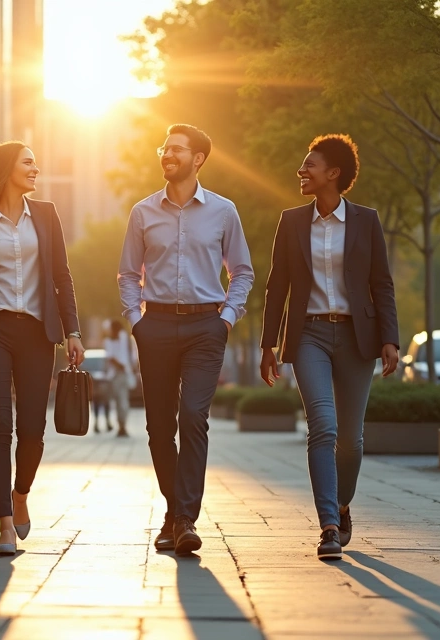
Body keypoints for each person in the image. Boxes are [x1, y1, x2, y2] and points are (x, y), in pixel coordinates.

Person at [258, 134, 400, 561]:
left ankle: (341, 503)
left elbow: (381, 283)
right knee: (323, 426)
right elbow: (277, 286)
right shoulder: (291, 222)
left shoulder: (366, 221)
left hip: (357, 337)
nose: (301, 171)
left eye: (310, 165)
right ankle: (329, 526)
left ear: (333, 173)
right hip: (309, 336)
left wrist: (390, 338)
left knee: (351, 440)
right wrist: (268, 344)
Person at [118, 124, 254, 556]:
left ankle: (184, 519)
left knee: (193, 415)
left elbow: (242, 271)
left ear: (198, 159)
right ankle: (175, 514)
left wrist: (226, 319)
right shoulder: (142, 212)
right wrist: (136, 320)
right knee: (159, 427)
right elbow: (128, 273)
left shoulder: (224, 211)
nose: (167, 154)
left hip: (204, 328)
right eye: (164, 148)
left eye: (176, 149)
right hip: (155, 325)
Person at [0, 141, 84, 556]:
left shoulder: (46, 214)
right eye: (28, 162)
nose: (36, 169)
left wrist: (73, 331)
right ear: (7, 169)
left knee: (32, 431)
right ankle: (5, 525)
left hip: (38, 334)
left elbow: (62, 276)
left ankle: (20, 493)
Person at [102, 319, 136, 437]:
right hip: (114, 374)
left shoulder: (124, 338)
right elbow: (110, 358)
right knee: (118, 401)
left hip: (123, 374)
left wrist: (128, 366)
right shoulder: (108, 341)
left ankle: (123, 425)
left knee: (122, 401)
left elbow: (130, 354)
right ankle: (121, 425)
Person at [93, 319, 113, 433]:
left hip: (104, 381)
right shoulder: (106, 346)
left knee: (104, 402)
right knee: (99, 402)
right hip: (98, 382)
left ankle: (106, 422)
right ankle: (98, 423)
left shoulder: (107, 354)